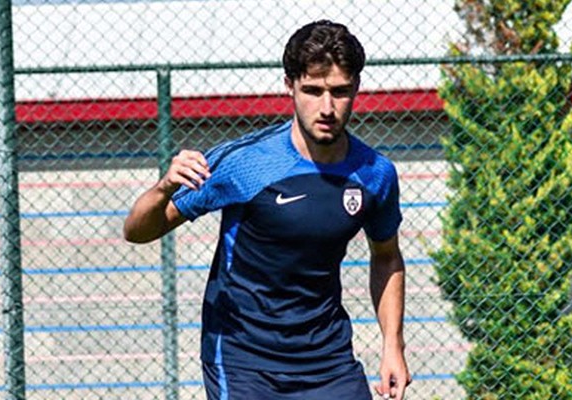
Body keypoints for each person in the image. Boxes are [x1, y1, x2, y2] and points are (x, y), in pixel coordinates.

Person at [124, 20, 410, 400]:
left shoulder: (375, 174)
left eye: (339, 92)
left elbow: (387, 257)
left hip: (328, 361)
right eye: (313, 91)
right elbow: (138, 231)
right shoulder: (245, 164)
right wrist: (164, 188)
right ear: (289, 86)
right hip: (243, 360)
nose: (327, 107)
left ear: (356, 87)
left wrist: (393, 345)